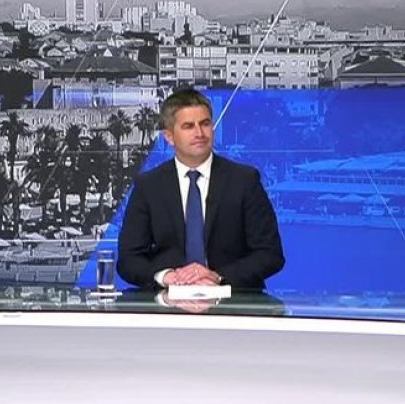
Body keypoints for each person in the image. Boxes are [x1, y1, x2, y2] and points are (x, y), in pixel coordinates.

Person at [117, 87, 284, 290]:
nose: (199, 133)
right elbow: (128, 260)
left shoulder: (244, 181)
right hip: (168, 301)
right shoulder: (149, 186)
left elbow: (270, 254)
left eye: (205, 124)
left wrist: (218, 276)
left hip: (233, 300)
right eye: (188, 126)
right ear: (169, 136)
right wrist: (167, 277)